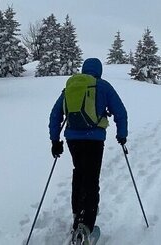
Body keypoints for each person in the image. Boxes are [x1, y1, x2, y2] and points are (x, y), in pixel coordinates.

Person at [49, 57, 128, 237]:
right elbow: (120, 112)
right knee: (91, 179)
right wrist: (122, 135)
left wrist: (55, 140)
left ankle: (78, 213)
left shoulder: (71, 87)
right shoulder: (103, 86)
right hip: (94, 139)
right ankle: (86, 227)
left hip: (72, 140)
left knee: (79, 173)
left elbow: (55, 114)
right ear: (99, 71)